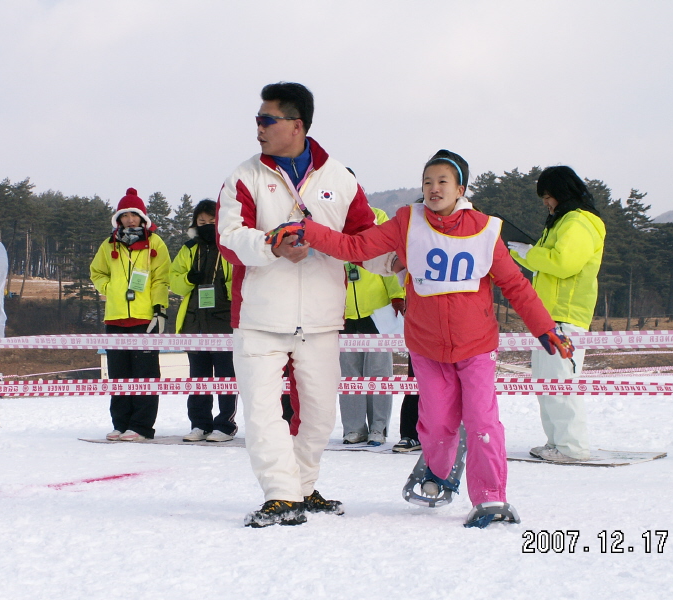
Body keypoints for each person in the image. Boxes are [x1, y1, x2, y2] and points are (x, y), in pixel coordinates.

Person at [291, 149, 573, 528]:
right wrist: (311, 232)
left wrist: (543, 327)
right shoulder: (408, 221)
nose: (434, 188)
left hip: (476, 346)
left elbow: (515, 285)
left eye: (442, 182)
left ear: (461, 189)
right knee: (437, 423)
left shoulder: (487, 229)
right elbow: (357, 248)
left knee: (482, 423)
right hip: (426, 346)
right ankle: (439, 471)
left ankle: (490, 497)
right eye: (427, 182)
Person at [216, 82, 388, 527]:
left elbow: (365, 240)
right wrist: (271, 245)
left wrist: (407, 262)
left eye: (266, 119)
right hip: (258, 318)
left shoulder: (340, 179)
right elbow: (229, 239)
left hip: (321, 319)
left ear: (296, 125)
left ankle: (304, 488)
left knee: (319, 414)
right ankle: (280, 494)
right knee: (261, 412)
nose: (257, 128)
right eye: (257, 119)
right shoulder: (245, 176)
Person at [508, 166, 606, 463]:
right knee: (546, 382)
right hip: (547, 315)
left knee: (560, 383)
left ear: (562, 193)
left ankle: (571, 447)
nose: (546, 203)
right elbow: (546, 262)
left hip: (564, 315)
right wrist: (521, 251)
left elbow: (564, 263)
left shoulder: (579, 222)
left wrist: (529, 253)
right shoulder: (562, 221)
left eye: (548, 196)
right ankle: (557, 443)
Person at [90, 188, 170, 442]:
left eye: (134, 215)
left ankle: (142, 426)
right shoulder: (108, 244)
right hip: (115, 318)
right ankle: (120, 423)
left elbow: (161, 280)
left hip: (144, 318)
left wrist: (159, 309)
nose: (130, 220)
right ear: (119, 219)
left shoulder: (155, 244)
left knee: (145, 374)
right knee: (119, 374)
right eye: (125, 215)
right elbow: (96, 272)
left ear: (142, 217)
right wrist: (109, 289)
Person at [170, 199, 238, 443]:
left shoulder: (230, 247)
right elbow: (174, 281)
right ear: (195, 224)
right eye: (202, 222)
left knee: (225, 377)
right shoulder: (189, 249)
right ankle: (199, 424)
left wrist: (225, 287)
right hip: (194, 322)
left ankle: (225, 424)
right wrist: (189, 278)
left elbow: (240, 280)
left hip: (223, 322)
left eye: (212, 221)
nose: (207, 225)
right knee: (198, 378)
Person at [340, 206, 406, 446]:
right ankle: (353, 428)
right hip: (342, 311)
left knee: (378, 372)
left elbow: (390, 261)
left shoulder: (377, 217)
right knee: (349, 374)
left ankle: (378, 427)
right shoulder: (329, 219)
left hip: (377, 310)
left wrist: (397, 295)